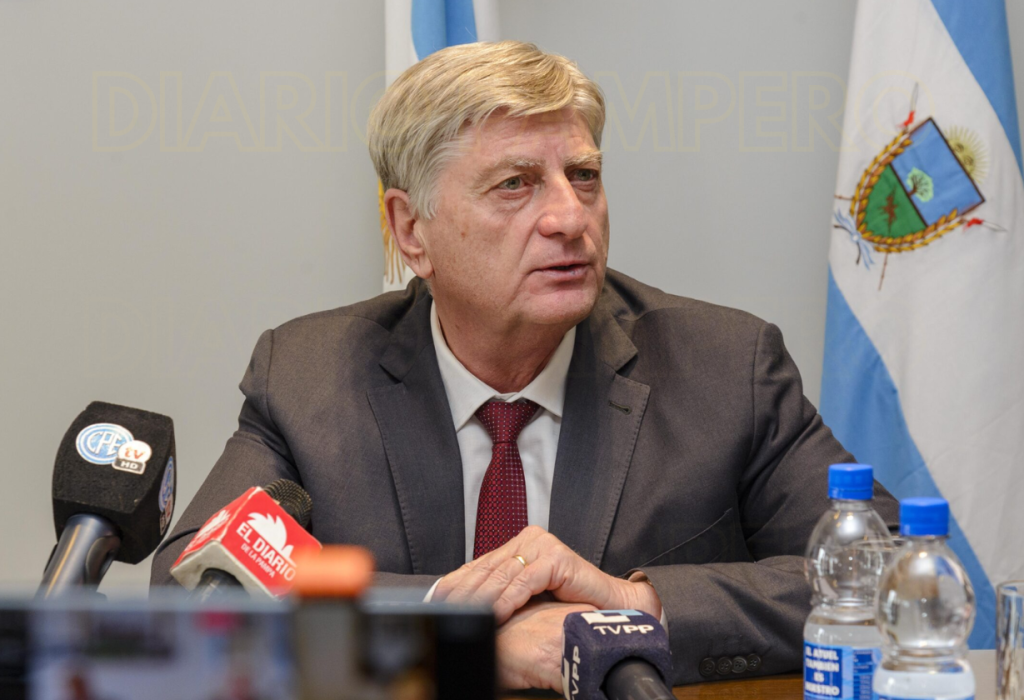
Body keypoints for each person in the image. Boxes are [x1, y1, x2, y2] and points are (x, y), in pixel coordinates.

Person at [151, 40, 898, 690]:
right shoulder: (309, 379)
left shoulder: (723, 369)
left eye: (584, 176)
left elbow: (890, 576)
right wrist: (454, 641)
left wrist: (632, 606)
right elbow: (197, 591)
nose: (570, 218)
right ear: (410, 230)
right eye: (515, 184)